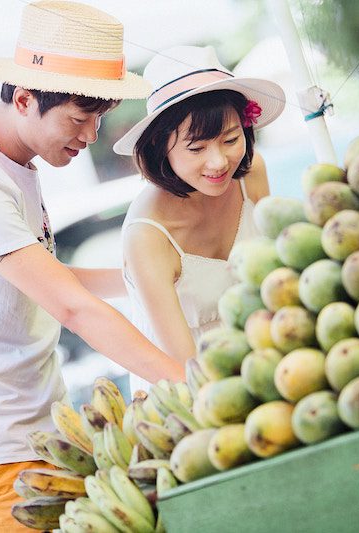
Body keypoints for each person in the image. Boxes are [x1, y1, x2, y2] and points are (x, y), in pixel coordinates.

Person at [0, 2, 183, 531]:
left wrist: (153, 276)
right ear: (25, 99)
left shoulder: (13, 164)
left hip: (40, 439)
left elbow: (48, 280)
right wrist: (185, 382)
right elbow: (71, 307)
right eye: (79, 118)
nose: (90, 136)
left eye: (98, 118)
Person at [112, 46, 285, 392]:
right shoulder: (147, 235)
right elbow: (186, 366)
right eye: (196, 148)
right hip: (194, 393)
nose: (219, 162)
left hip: (270, 367)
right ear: (162, 149)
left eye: (231, 139)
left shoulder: (251, 175)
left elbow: (279, 277)